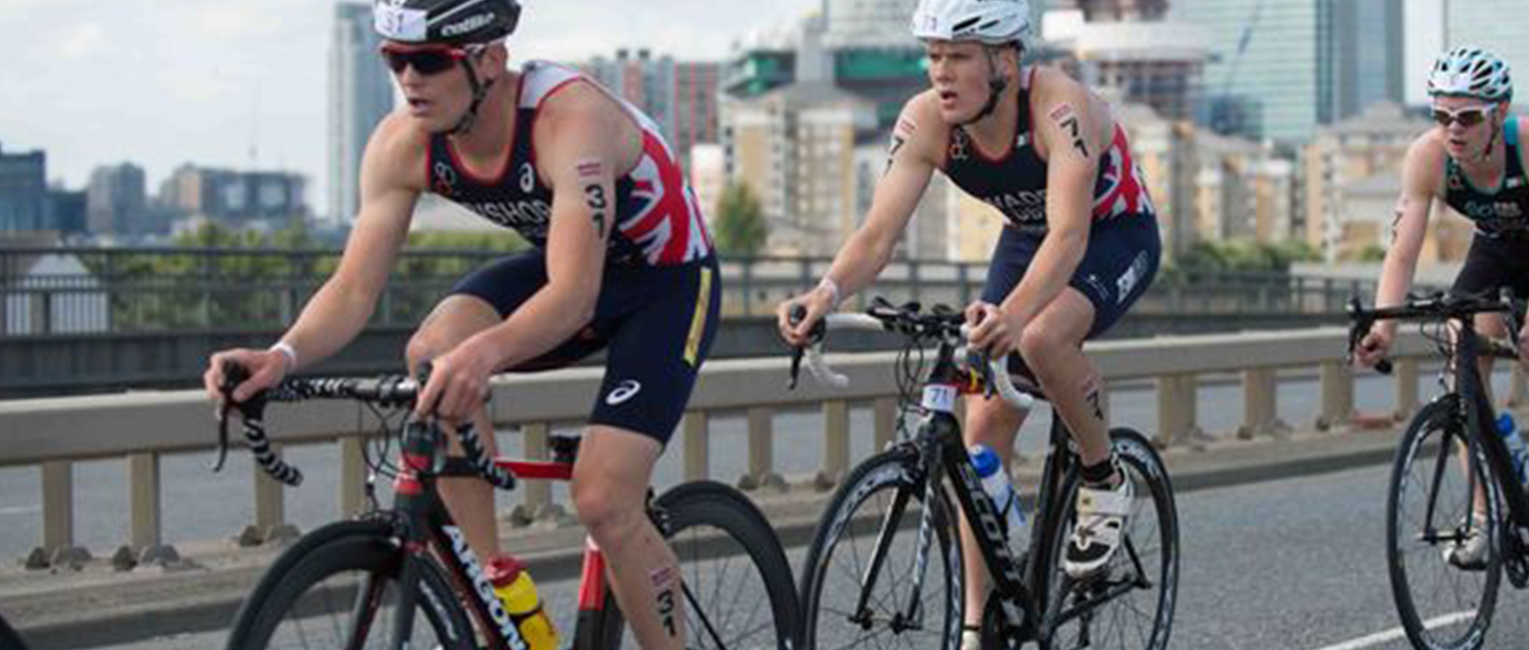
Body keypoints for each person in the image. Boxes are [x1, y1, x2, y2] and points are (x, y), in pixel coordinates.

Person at [203, 1, 720, 646]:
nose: (409, 80)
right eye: (394, 60)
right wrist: (281, 357)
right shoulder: (402, 144)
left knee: (603, 498)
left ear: (490, 59)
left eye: (427, 61)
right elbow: (355, 286)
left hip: (665, 283)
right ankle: (497, 585)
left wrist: (485, 355)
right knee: (435, 346)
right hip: (567, 268)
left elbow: (572, 297)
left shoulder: (569, 120)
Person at [774, 0, 1160, 645]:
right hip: (1025, 239)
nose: (941, 74)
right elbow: (877, 234)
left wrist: (1012, 315)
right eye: (933, 57)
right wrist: (826, 293)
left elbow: (1068, 235)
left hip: (1111, 234)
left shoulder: (1060, 107)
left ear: (1006, 60)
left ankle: (1103, 476)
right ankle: (980, 625)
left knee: (1039, 338)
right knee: (980, 434)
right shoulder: (927, 120)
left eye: (957, 57)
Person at [1354, 47, 1529, 569]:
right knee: (1462, 357)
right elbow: (1402, 250)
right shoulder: (1427, 156)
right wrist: (1383, 325)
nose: (1454, 129)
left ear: (1499, 112)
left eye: (1468, 117)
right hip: (1497, 248)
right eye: (1442, 115)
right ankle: (1482, 517)